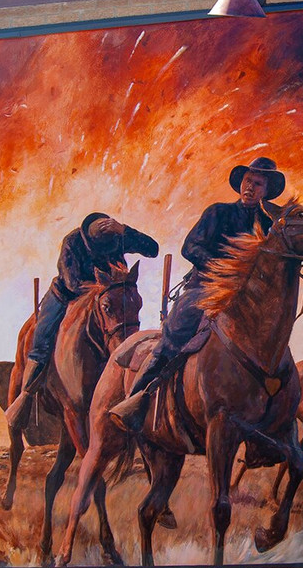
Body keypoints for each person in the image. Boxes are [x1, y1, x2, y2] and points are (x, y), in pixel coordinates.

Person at [108, 156, 286, 430]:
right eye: (248, 181)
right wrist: (223, 269)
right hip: (207, 286)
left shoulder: (270, 224)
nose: (250, 187)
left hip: (250, 296)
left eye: (258, 183)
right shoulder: (218, 213)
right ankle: (137, 398)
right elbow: (190, 248)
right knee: (176, 329)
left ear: (266, 190)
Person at [4, 212, 159, 428]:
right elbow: (72, 282)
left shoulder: (117, 236)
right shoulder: (73, 242)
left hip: (108, 298)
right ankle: (29, 390)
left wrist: (124, 230)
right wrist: (99, 289)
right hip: (67, 296)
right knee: (42, 334)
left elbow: (153, 249)